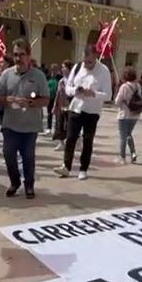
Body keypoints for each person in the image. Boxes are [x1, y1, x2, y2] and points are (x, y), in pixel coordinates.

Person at [0, 38, 49, 199]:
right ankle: (15, 182)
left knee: (28, 157)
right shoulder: (6, 74)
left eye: (22, 54)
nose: (18, 58)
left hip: (30, 127)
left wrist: (31, 102)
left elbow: (46, 100)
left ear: (29, 56)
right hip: (10, 124)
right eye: (16, 54)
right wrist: (8, 100)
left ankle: (29, 185)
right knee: (8, 155)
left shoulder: (38, 76)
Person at [54, 44, 112, 180]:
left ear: (96, 57)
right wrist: (76, 91)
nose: (87, 64)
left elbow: (108, 95)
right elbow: (68, 87)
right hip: (76, 107)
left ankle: (83, 169)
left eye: (90, 62)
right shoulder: (78, 67)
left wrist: (93, 93)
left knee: (87, 140)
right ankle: (66, 166)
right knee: (70, 138)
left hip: (92, 111)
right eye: (85, 61)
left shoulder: (103, 71)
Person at [114, 67, 142, 165]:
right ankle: (133, 153)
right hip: (135, 114)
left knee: (123, 137)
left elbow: (117, 102)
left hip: (124, 115)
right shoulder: (138, 86)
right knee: (128, 135)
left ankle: (122, 157)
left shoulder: (124, 87)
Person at [52, 59, 72, 151]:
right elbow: (58, 94)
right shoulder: (61, 81)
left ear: (69, 68)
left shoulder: (73, 81)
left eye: (64, 67)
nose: (62, 69)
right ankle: (61, 143)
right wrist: (54, 106)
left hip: (71, 107)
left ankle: (70, 142)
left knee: (69, 125)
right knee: (59, 124)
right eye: (62, 67)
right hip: (61, 106)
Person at [46, 63, 60, 134]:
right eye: (53, 69)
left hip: (57, 98)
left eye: (55, 69)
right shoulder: (48, 77)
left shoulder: (59, 77)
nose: (54, 71)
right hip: (50, 97)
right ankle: (49, 128)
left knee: (57, 114)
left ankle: (57, 129)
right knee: (49, 113)